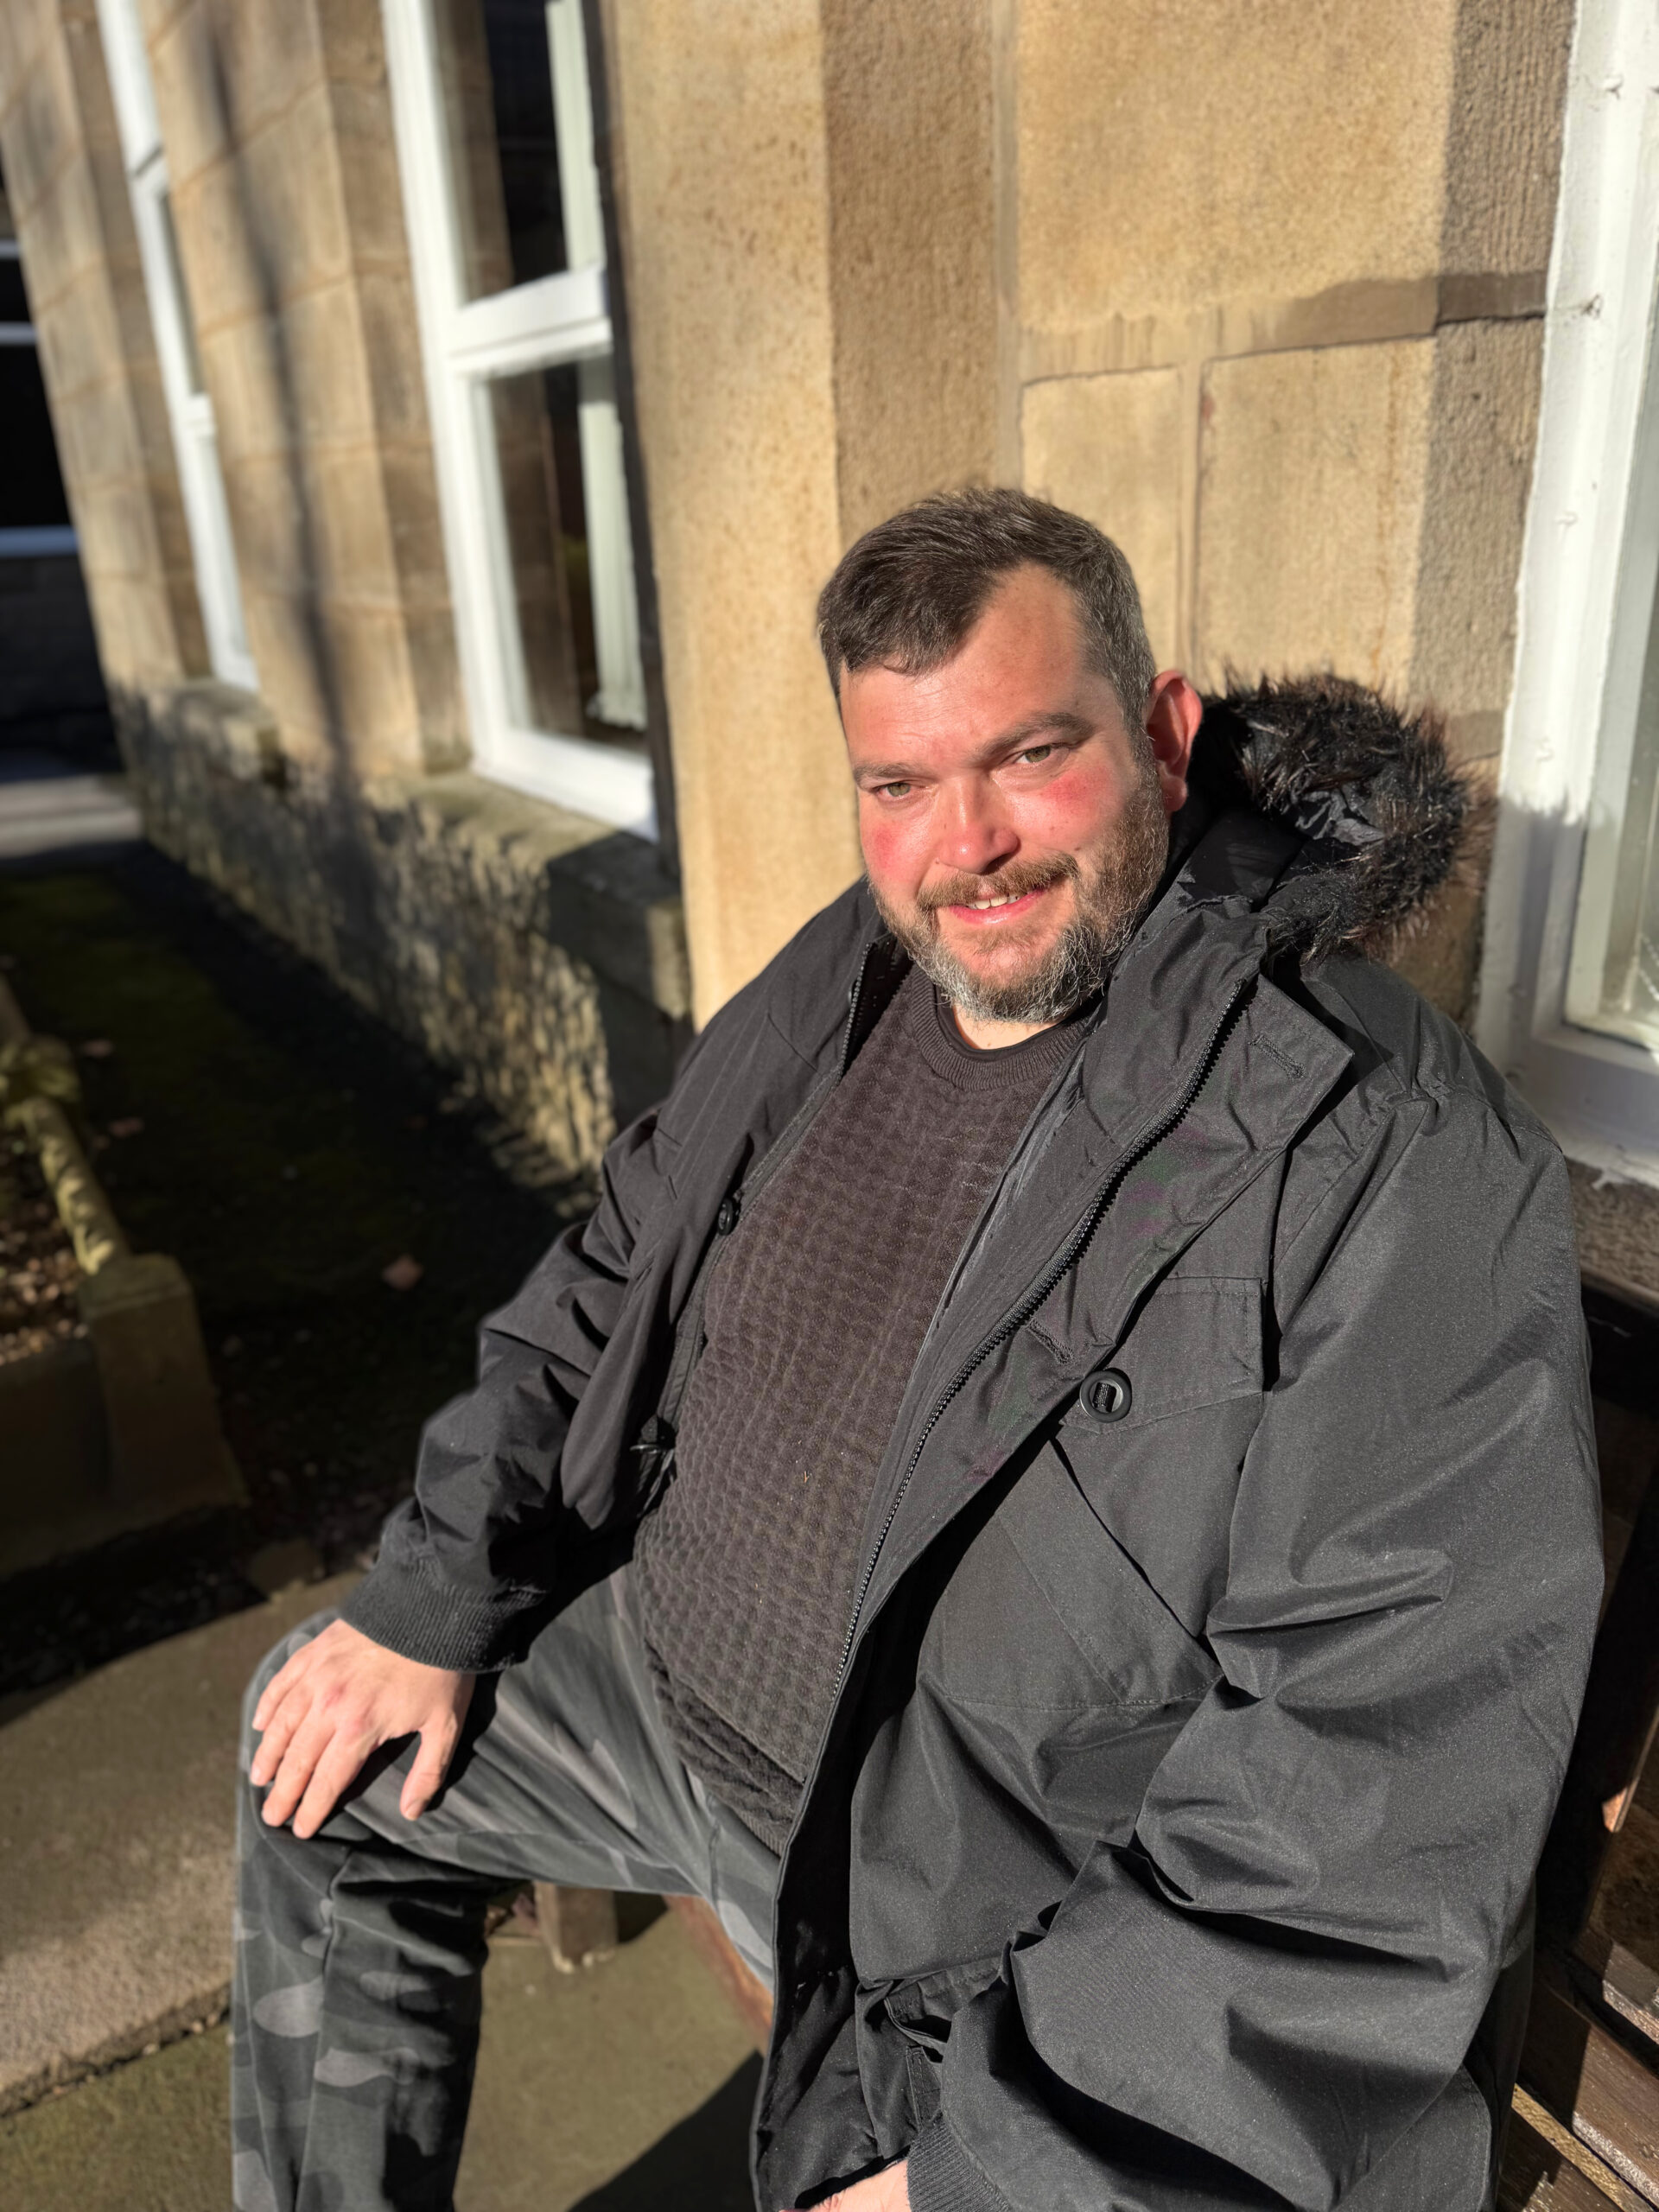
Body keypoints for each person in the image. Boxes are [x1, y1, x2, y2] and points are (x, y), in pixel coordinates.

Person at [232, 489, 1602, 2212]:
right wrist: (434, 1593)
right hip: (656, 1707)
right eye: (899, 784)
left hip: (944, 1916)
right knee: (312, 1758)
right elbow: (612, 1270)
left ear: (1165, 732)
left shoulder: (1373, 1133)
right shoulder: (849, 972)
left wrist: (1000, 2166)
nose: (969, 846)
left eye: (1032, 754)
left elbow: (1373, 1782)